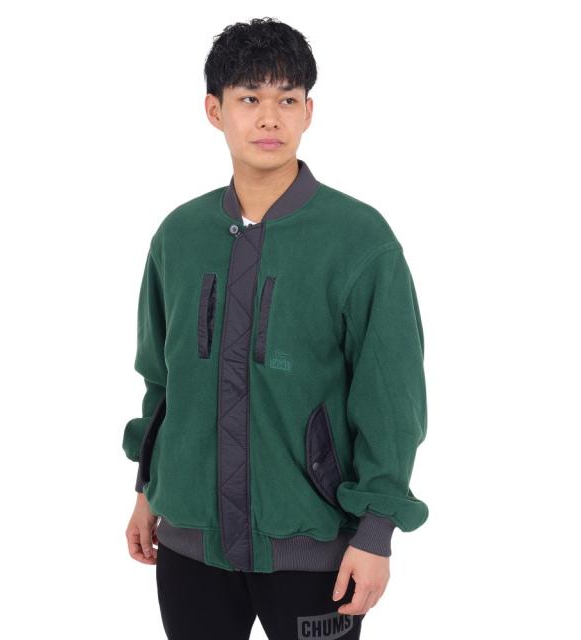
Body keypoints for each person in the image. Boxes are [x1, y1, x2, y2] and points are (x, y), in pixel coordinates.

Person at [123, 17, 429, 640]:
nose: (269, 118)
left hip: (315, 546)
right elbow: (162, 381)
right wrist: (148, 490)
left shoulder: (359, 240)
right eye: (249, 99)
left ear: (309, 111)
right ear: (214, 110)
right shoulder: (178, 236)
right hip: (190, 544)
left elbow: (390, 401)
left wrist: (375, 532)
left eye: (287, 100)